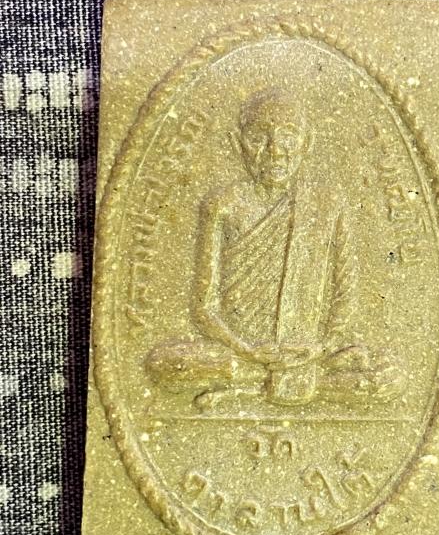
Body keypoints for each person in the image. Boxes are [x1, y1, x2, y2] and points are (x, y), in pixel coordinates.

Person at [146, 87, 403, 410]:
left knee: (392, 376)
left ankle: (263, 385)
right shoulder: (223, 205)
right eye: (258, 138)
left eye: (288, 136)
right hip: (240, 353)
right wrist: (247, 349)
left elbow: (344, 295)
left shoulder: (327, 203)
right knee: (164, 362)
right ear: (236, 143)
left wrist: (322, 346)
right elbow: (204, 308)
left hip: (309, 353)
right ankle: (295, 384)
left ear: (306, 143)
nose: (275, 151)